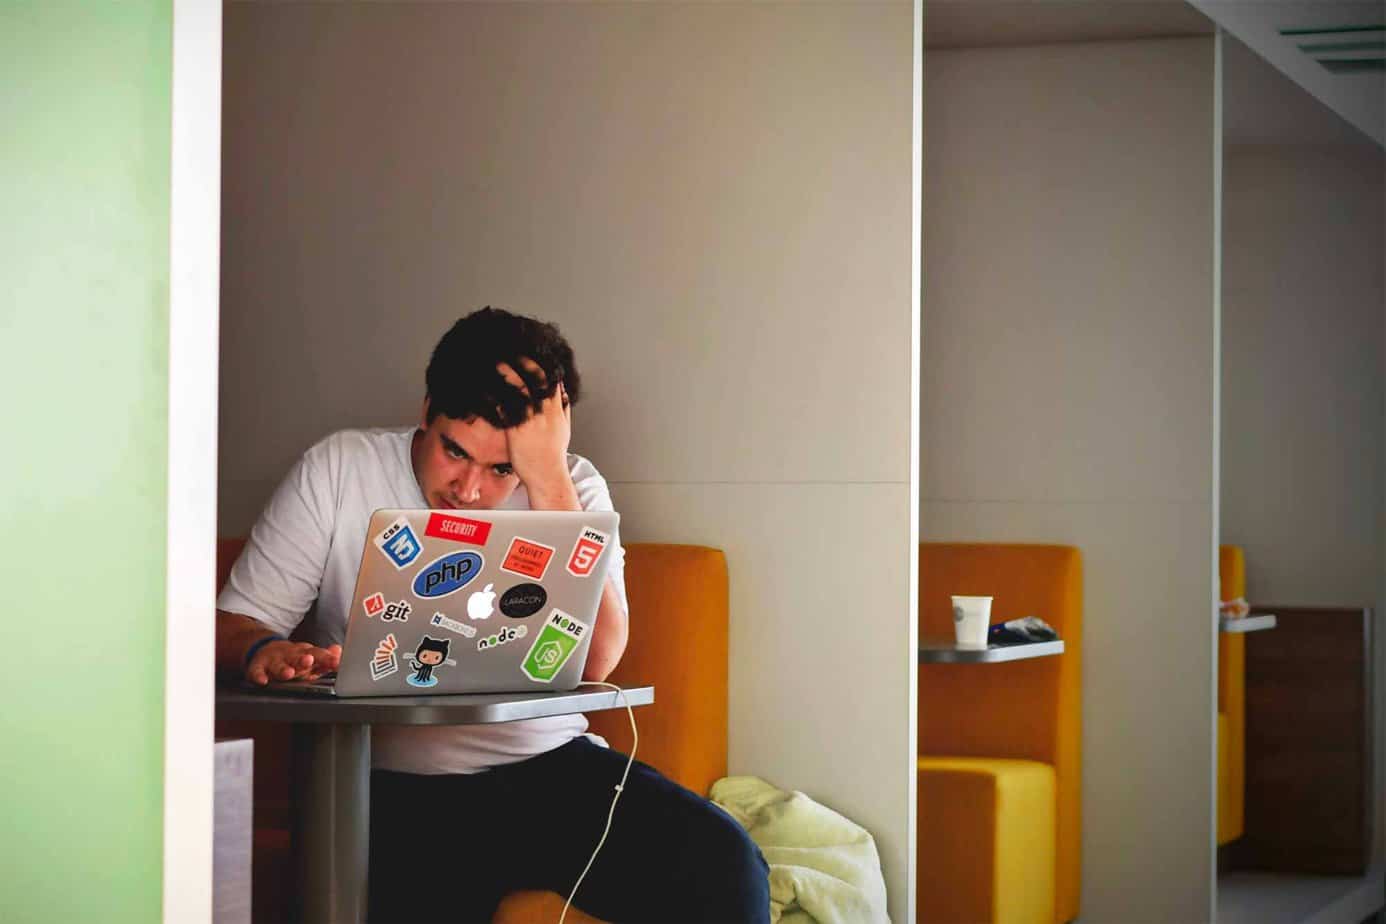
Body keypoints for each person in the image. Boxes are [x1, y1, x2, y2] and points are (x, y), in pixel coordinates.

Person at [214, 308, 769, 923]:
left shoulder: (572, 487)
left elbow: (599, 657)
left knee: (728, 864)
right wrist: (263, 650)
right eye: (455, 451)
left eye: (501, 468)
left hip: (549, 770)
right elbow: (231, 625)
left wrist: (549, 479)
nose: (469, 489)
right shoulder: (340, 468)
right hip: (390, 786)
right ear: (427, 411)